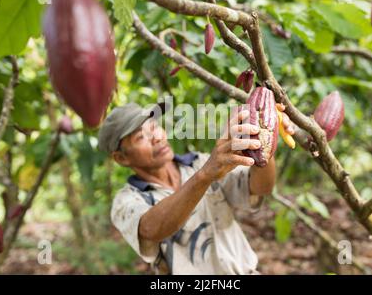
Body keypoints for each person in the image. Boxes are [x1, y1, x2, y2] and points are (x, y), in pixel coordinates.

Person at [97, 102, 294, 274]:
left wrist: (263, 137)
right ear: (121, 158)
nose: (156, 137)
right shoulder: (127, 200)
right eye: (141, 137)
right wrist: (205, 175)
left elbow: (261, 187)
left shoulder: (198, 163)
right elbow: (151, 229)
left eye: (154, 127)